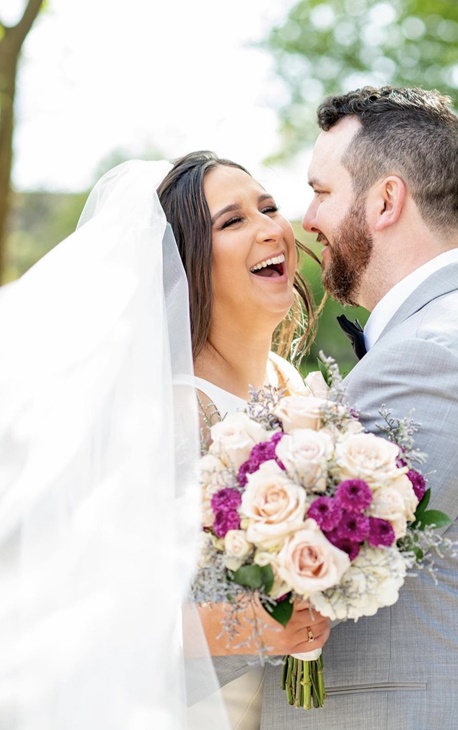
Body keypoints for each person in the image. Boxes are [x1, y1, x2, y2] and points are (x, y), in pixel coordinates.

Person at [255, 87, 458, 728]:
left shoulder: (438, 355)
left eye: (322, 191)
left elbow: (309, 568)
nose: (307, 218)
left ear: (385, 200)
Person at [0, 152, 329, 730]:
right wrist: (253, 623)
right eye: (232, 222)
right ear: (186, 266)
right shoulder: (170, 410)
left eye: (270, 207)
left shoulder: (294, 386)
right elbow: (87, 606)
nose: (270, 227)